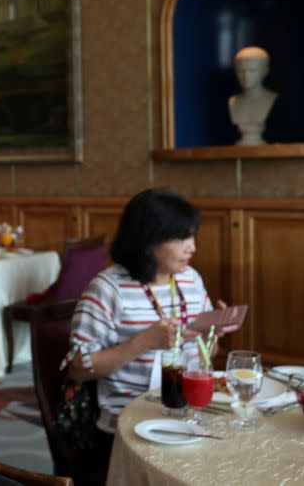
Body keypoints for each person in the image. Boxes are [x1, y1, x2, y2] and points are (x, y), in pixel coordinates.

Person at [62, 189, 227, 483]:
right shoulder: (107, 288)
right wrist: (144, 342)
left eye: (192, 236)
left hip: (187, 412)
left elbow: (206, 356)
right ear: (148, 240)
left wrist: (212, 334)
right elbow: (78, 368)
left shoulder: (190, 279)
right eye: (181, 238)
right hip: (127, 421)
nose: (192, 247)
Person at [229, 46, 277, 146]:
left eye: (252, 70)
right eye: (240, 71)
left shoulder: (272, 99)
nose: (246, 76)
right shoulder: (232, 102)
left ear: (265, 71)